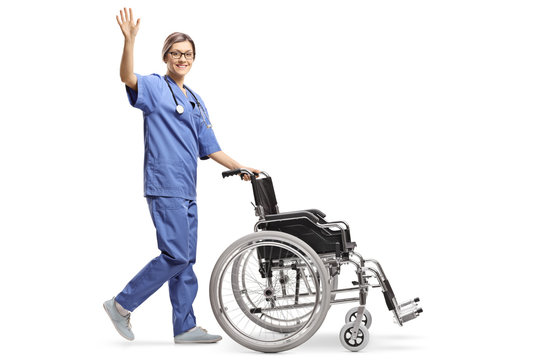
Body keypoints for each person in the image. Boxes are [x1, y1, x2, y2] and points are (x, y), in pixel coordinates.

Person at [103, 8, 259, 344]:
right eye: (176, 53)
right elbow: (126, 77)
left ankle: (185, 326)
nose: (182, 59)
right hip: (164, 184)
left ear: (193, 58)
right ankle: (121, 304)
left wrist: (239, 166)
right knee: (175, 254)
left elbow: (210, 145)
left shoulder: (196, 101)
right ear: (166, 56)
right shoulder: (156, 88)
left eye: (187, 54)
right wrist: (129, 41)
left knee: (186, 259)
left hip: (188, 189)